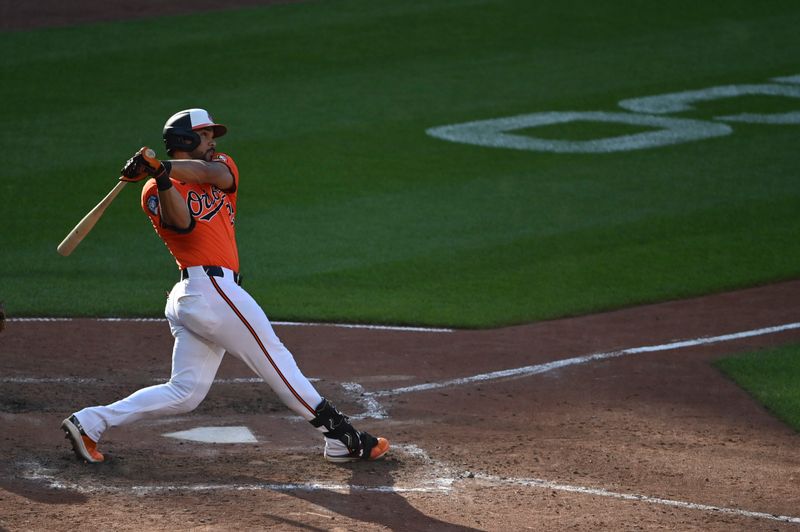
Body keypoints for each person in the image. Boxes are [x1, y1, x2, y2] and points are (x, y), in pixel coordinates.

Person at [61, 108, 389, 464]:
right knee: (276, 360)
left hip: (205, 296)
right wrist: (162, 178)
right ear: (185, 140)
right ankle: (342, 437)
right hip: (208, 291)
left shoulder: (221, 166)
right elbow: (182, 224)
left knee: (185, 393)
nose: (213, 141)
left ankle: (91, 421)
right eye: (205, 135)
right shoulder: (153, 192)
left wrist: (162, 168)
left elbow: (210, 173)